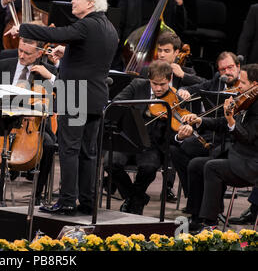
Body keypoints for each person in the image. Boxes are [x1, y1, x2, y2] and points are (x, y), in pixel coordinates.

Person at [7, 0, 118, 215]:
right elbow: (90, 58)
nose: (73, 2)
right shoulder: (109, 28)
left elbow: (55, 33)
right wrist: (67, 53)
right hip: (95, 97)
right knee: (88, 153)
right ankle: (87, 202)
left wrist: (24, 29)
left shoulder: (87, 24)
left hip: (74, 96)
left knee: (69, 150)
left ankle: (67, 201)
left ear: (90, 3)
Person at [106, 60, 194, 215]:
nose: (159, 88)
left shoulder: (175, 97)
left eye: (163, 84)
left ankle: (133, 201)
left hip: (153, 144)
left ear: (170, 79)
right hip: (130, 139)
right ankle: (136, 199)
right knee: (110, 163)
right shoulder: (137, 85)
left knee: (149, 168)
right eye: (155, 84)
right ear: (149, 79)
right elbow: (116, 103)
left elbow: (177, 129)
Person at [178, 63, 258, 232]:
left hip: (250, 163)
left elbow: (248, 137)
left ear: (255, 84)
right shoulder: (247, 100)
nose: (238, 86)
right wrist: (200, 120)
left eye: (242, 83)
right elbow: (222, 123)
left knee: (212, 167)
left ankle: (210, 223)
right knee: (196, 165)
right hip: (237, 156)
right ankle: (196, 217)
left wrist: (231, 120)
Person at [0, 37, 57, 203]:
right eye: (20, 50)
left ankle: (37, 196)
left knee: (48, 145)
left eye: (27, 53)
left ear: (40, 53)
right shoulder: (2, 64)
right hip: (3, 119)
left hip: (32, 123)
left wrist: (51, 78)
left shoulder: (48, 71)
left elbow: (59, 100)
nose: (22, 55)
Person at [170, 51, 242, 201]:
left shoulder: (245, 85)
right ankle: (195, 198)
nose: (227, 72)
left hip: (233, 135)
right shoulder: (218, 80)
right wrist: (184, 91)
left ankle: (208, 202)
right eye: (223, 69)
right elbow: (200, 87)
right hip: (213, 131)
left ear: (238, 66)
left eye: (230, 67)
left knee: (205, 158)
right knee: (176, 149)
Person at [114, 0, 187, 70]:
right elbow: (118, 24)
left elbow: (181, 27)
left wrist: (179, 2)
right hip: (133, 49)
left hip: (159, 50)